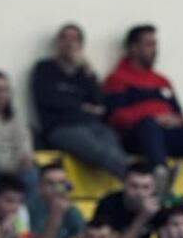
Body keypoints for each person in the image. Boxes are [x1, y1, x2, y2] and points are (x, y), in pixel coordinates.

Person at [103, 24, 183, 187]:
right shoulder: (117, 79)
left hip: (168, 136)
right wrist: (154, 117)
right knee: (149, 124)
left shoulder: (162, 81)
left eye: (155, 44)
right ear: (133, 48)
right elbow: (115, 117)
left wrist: (173, 120)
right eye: (149, 44)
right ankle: (161, 177)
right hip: (139, 137)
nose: (155, 49)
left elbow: (180, 117)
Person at [31, 23, 127, 177]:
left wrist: (88, 72)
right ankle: (141, 183)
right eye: (65, 38)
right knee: (100, 151)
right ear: (58, 43)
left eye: (74, 39)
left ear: (81, 45)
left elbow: (100, 103)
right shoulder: (44, 69)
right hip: (62, 127)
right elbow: (50, 100)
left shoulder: (84, 73)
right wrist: (83, 107)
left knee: (115, 147)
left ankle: (138, 183)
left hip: (93, 125)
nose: (69, 43)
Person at [91, 162, 161, 238]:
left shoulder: (158, 206)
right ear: (124, 183)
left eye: (146, 187)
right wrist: (142, 218)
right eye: (134, 186)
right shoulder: (109, 205)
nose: (139, 192)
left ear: (153, 188)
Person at [28, 159, 86, 238]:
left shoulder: (71, 209)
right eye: (51, 184)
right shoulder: (29, 209)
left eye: (62, 183)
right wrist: (56, 215)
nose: (58, 189)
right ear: (40, 187)